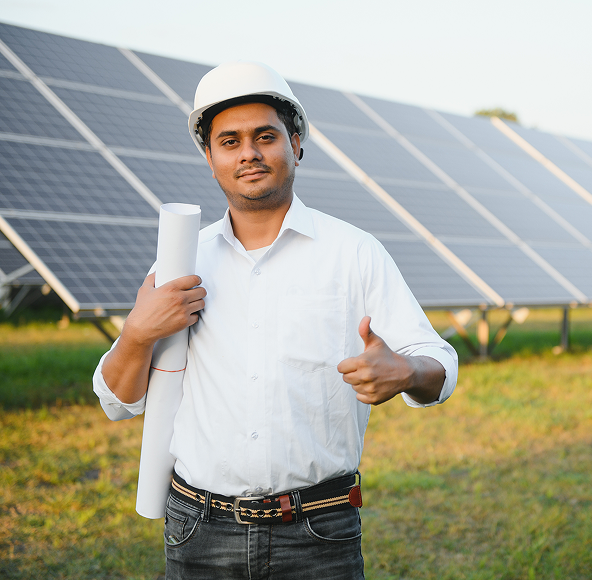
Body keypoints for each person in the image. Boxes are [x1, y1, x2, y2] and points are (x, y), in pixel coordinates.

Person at [92, 61, 458, 579]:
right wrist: (137, 333)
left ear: (297, 144)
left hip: (319, 530)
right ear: (209, 156)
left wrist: (407, 372)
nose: (248, 153)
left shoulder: (354, 253)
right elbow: (117, 403)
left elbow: (439, 362)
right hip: (199, 530)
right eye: (229, 141)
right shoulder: (179, 262)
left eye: (266, 136)